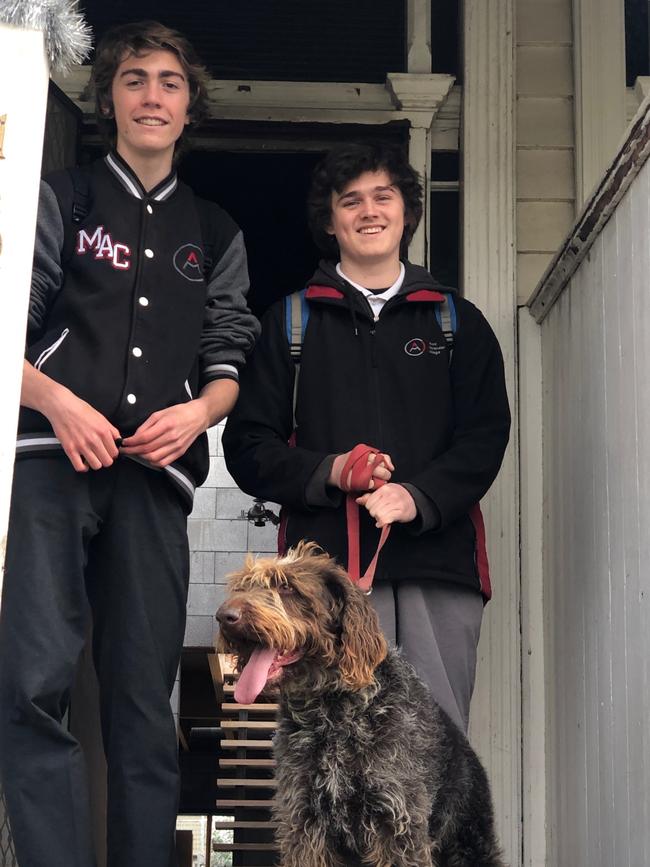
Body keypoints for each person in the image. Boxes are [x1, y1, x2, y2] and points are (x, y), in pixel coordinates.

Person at [0, 21, 258, 867]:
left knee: (145, 700)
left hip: (154, 487)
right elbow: (7, 330)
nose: (153, 95)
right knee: (35, 685)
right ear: (107, 96)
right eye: (136, 78)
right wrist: (54, 402)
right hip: (48, 470)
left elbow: (227, 359)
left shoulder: (215, 231)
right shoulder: (61, 198)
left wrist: (198, 415)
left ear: (190, 108)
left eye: (171, 83)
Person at [223, 142, 510, 733]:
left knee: (436, 745)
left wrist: (417, 497)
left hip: (439, 567)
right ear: (330, 222)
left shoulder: (458, 323)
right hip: (320, 585)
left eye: (384, 196)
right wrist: (329, 471)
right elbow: (248, 445)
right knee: (327, 748)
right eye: (350, 201)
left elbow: (486, 437)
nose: (369, 211)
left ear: (407, 212)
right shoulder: (290, 323)